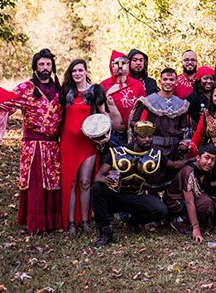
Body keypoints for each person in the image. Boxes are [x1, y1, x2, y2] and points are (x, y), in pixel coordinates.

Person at [0, 48, 63, 233]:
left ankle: (53, 222)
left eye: (48, 64)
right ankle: (36, 224)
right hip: (33, 146)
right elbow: (0, 103)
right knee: (35, 182)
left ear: (52, 67)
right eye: (41, 64)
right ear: (35, 66)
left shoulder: (60, 89)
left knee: (53, 181)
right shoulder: (25, 88)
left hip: (54, 145)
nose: (45, 67)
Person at [89, 120, 170, 247]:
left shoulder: (154, 154)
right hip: (116, 195)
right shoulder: (117, 152)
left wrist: (195, 159)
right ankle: (105, 230)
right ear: (135, 136)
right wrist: (105, 180)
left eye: (150, 136)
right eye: (143, 136)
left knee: (161, 210)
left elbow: (174, 165)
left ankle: (134, 220)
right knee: (97, 188)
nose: (147, 139)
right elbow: (97, 177)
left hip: (137, 197)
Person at [59, 59, 115, 234]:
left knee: (84, 182)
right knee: (71, 181)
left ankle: (85, 220)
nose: (77, 73)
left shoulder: (94, 91)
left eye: (80, 70)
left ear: (85, 71)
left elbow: (104, 115)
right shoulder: (65, 93)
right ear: (71, 73)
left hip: (87, 143)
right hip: (68, 142)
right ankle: (71, 223)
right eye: (74, 70)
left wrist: (107, 135)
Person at [128, 68, 191, 163]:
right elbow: (134, 122)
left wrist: (184, 144)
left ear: (176, 82)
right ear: (160, 81)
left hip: (174, 150)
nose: (168, 82)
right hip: (153, 148)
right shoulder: (148, 101)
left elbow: (184, 129)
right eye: (165, 79)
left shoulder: (181, 104)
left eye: (171, 80)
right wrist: (143, 137)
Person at [166, 143, 216, 242]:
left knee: (213, 198)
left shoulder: (204, 167)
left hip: (189, 197)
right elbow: (189, 202)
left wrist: (215, 183)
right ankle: (180, 220)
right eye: (206, 157)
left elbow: (199, 185)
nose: (209, 162)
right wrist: (196, 229)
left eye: (213, 159)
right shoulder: (189, 172)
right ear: (198, 157)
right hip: (175, 202)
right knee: (206, 203)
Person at [100, 51, 146, 146]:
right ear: (111, 65)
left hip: (133, 134)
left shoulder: (137, 85)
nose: (120, 67)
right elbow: (99, 111)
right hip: (111, 134)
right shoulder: (104, 86)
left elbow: (144, 109)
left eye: (124, 63)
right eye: (116, 63)